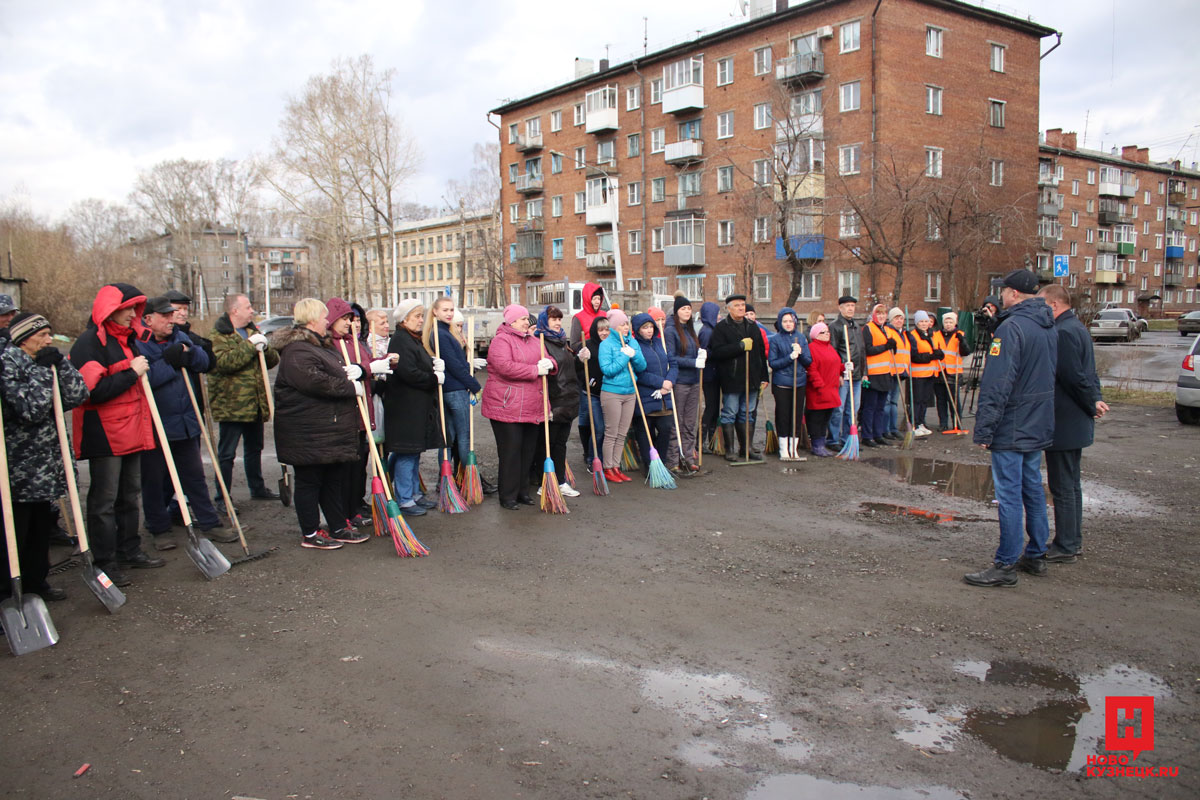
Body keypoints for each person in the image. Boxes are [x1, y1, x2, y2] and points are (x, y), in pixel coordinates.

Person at [965, 269, 1057, 587]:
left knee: (1009, 494)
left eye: (1004, 291)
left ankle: (1005, 563)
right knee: (1031, 487)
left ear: (1014, 294)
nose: (1000, 296)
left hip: (1013, 424)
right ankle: (1035, 553)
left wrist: (985, 429)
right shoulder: (1047, 325)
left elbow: (997, 384)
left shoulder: (1012, 328)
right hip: (1036, 422)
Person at [68, 283, 163, 586]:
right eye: (127, 308)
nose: (133, 314)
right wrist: (131, 372)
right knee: (104, 502)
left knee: (129, 497)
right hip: (105, 435)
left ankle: (129, 550)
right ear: (110, 309)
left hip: (131, 430)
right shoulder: (89, 344)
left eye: (136, 308)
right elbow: (89, 393)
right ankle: (105, 561)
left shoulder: (128, 341)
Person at [0, 313, 90, 601]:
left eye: (50, 333)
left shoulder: (46, 360)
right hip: (19, 468)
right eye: (42, 335)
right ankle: (7, 594)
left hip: (45, 465)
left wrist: (60, 364)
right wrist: (41, 371)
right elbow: (31, 409)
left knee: (41, 530)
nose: (49, 340)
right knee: (15, 535)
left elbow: (78, 395)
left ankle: (37, 583)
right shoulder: (7, 364)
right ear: (23, 338)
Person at [137, 296, 234, 551]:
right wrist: (169, 362)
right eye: (165, 316)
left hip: (186, 419)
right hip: (155, 423)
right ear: (148, 319)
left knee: (194, 476)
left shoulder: (179, 337)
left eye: (172, 314)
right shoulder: (139, 343)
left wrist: (189, 354)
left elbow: (203, 363)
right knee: (154, 479)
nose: (172, 319)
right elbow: (145, 380)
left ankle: (209, 522)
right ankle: (158, 527)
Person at [272, 299, 368, 549]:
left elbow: (332, 373)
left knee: (332, 480)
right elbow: (316, 382)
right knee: (309, 482)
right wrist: (349, 386)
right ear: (313, 319)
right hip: (307, 431)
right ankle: (311, 532)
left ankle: (337, 526)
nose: (328, 321)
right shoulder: (297, 350)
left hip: (328, 429)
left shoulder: (321, 347)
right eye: (324, 317)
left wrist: (352, 372)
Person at [1038, 284, 1109, 564]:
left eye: (1044, 305)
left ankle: (1066, 544)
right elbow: (1088, 374)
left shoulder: (1063, 332)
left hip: (1065, 421)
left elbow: (1074, 376)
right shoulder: (1076, 327)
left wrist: (1091, 402)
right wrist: (1094, 399)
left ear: (1054, 305)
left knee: (1063, 486)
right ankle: (1072, 541)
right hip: (1073, 420)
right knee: (1071, 484)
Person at [481, 304, 552, 509]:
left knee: (527, 451)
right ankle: (508, 495)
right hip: (506, 406)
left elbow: (548, 359)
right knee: (511, 452)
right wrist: (535, 370)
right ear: (511, 321)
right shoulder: (501, 340)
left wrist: (550, 365)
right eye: (522, 319)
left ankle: (522, 492)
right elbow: (504, 367)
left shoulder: (533, 340)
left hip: (532, 405)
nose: (526, 322)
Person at [210, 294, 280, 500]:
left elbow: (272, 360)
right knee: (227, 453)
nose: (252, 311)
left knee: (254, 448)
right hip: (232, 405)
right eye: (248, 307)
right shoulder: (219, 335)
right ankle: (222, 496)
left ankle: (257, 489)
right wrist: (250, 345)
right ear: (235, 311)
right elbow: (223, 363)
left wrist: (265, 347)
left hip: (255, 403)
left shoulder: (253, 331)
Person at [327, 297, 390, 527]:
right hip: (345, 414)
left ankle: (354, 507)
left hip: (362, 412)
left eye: (352, 318)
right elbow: (338, 372)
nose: (351, 323)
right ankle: (343, 513)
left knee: (358, 466)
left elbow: (365, 364)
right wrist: (365, 369)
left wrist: (383, 363)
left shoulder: (354, 341)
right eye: (345, 318)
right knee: (344, 469)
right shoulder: (330, 344)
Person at [429, 297, 496, 494]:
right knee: (463, 438)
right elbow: (455, 366)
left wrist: (468, 365)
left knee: (448, 439)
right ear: (435, 311)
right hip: (456, 390)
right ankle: (471, 480)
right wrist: (475, 385)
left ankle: (447, 480)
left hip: (450, 389)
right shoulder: (442, 334)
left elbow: (456, 363)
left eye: (451, 309)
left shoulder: (442, 332)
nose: (449, 313)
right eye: (445, 310)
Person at [385, 299, 442, 516]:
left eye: (421, 315)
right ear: (404, 318)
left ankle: (414, 494)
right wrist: (433, 377)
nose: (421, 320)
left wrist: (433, 364)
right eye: (417, 316)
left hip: (415, 406)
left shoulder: (412, 338)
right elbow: (408, 372)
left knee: (413, 452)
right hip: (405, 407)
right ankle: (405, 498)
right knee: (407, 452)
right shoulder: (400, 339)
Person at [708, 294, 769, 462]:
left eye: (743, 305)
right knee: (730, 412)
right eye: (737, 305)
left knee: (747, 413)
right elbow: (717, 352)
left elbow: (760, 354)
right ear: (728, 308)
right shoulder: (721, 328)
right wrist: (740, 346)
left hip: (753, 378)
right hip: (732, 378)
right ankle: (730, 449)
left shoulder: (752, 326)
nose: (741, 308)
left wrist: (764, 377)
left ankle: (746, 448)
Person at [534, 306, 581, 497]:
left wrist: (578, 359)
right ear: (545, 321)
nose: (558, 323)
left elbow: (567, 370)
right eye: (554, 319)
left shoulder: (561, 341)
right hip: (553, 400)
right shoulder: (540, 342)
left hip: (568, 400)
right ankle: (543, 480)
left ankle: (560, 481)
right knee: (547, 443)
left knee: (561, 443)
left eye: (559, 319)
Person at [597, 309, 645, 484]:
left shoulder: (631, 341)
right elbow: (608, 370)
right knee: (612, 432)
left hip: (630, 392)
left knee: (622, 433)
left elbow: (641, 366)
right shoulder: (606, 345)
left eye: (626, 324)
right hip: (612, 393)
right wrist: (624, 357)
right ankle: (608, 467)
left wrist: (635, 355)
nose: (625, 327)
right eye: (622, 324)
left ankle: (616, 466)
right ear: (614, 327)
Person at [629, 311, 678, 472]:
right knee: (645, 434)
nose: (649, 330)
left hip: (664, 398)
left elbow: (673, 364)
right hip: (645, 397)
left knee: (665, 429)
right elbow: (639, 373)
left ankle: (661, 464)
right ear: (638, 329)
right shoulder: (635, 346)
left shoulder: (660, 343)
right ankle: (649, 466)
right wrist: (660, 382)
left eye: (650, 326)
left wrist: (669, 382)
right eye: (645, 327)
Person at [663, 296, 703, 474]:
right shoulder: (671, 331)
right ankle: (672, 460)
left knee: (690, 422)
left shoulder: (690, 329)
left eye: (689, 308)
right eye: (683, 309)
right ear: (676, 311)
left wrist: (701, 355)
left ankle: (688, 457)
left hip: (694, 381)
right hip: (680, 382)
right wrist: (693, 362)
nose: (687, 311)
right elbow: (672, 357)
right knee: (676, 422)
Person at [767, 308, 812, 459]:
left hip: (799, 383)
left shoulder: (801, 338)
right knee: (783, 415)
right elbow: (773, 363)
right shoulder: (775, 339)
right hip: (782, 384)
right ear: (780, 322)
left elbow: (808, 361)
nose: (788, 324)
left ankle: (794, 448)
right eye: (784, 321)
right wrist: (790, 357)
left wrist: (800, 353)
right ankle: (783, 448)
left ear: (795, 321)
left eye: (790, 321)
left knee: (797, 415)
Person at [828, 296, 864, 450]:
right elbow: (833, 351)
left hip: (856, 374)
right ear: (840, 308)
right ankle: (833, 439)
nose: (851, 308)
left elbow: (862, 351)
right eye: (847, 305)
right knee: (839, 408)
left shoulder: (856, 326)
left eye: (852, 306)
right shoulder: (835, 326)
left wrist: (864, 372)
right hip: (843, 375)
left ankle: (848, 438)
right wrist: (838, 372)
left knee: (853, 409)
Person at [804, 322, 842, 457]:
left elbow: (835, 364)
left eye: (827, 332)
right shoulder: (811, 348)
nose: (827, 334)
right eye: (823, 332)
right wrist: (819, 385)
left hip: (831, 390)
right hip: (818, 391)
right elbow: (811, 368)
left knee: (826, 418)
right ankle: (816, 445)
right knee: (816, 419)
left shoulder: (830, 348)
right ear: (815, 335)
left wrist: (844, 367)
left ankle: (822, 443)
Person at [577, 316, 609, 469]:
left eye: (607, 329)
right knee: (598, 428)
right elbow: (577, 370)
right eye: (601, 330)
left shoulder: (611, 345)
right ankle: (592, 459)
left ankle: (602, 458)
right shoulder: (587, 346)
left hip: (609, 393)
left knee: (607, 429)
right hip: (592, 394)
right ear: (595, 331)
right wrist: (587, 379)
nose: (604, 333)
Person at [933, 312, 972, 431]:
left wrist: (962, 342)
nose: (948, 324)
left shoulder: (960, 335)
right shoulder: (936, 335)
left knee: (954, 400)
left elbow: (966, 352)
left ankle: (957, 422)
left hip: (954, 372)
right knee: (941, 400)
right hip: (939, 371)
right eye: (946, 322)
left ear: (955, 323)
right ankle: (943, 423)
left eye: (950, 322)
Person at [906, 310, 939, 437]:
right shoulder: (913, 335)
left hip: (929, 373)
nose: (924, 323)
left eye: (926, 321)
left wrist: (938, 354)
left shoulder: (930, 335)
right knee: (917, 400)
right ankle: (914, 423)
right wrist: (931, 356)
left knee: (924, 400)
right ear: (916, 323)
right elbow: (914, 356)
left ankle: (921, 422)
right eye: (921, 321)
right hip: (918, 374)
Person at [697, 301, 721, 452]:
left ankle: (713, 440)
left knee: (715, 407)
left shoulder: (712, 329)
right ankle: (701, 440)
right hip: (708, 374)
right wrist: (718, 352)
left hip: (714, 373)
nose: (719, 316)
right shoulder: (706, 331)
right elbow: (705, 352)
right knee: (711, 407)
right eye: (717, 313)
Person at [884, 308, 909, 439]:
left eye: (901, 318)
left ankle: (893, 428)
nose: (899, 321)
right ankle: (886, 429)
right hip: (889, 371)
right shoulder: (888, 331)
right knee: (887, 403)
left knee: (894, 402)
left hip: (900, 372)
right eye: (896, 318)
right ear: (891, 319)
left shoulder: (904, 334)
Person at [569, 282, 607, 349]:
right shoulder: (578, 318)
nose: (597, 302)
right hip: (588, 356)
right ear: (587, 299)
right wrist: (590, 345)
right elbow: (573, 344)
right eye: (594, 299)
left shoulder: (604, 315)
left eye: (599, 299)